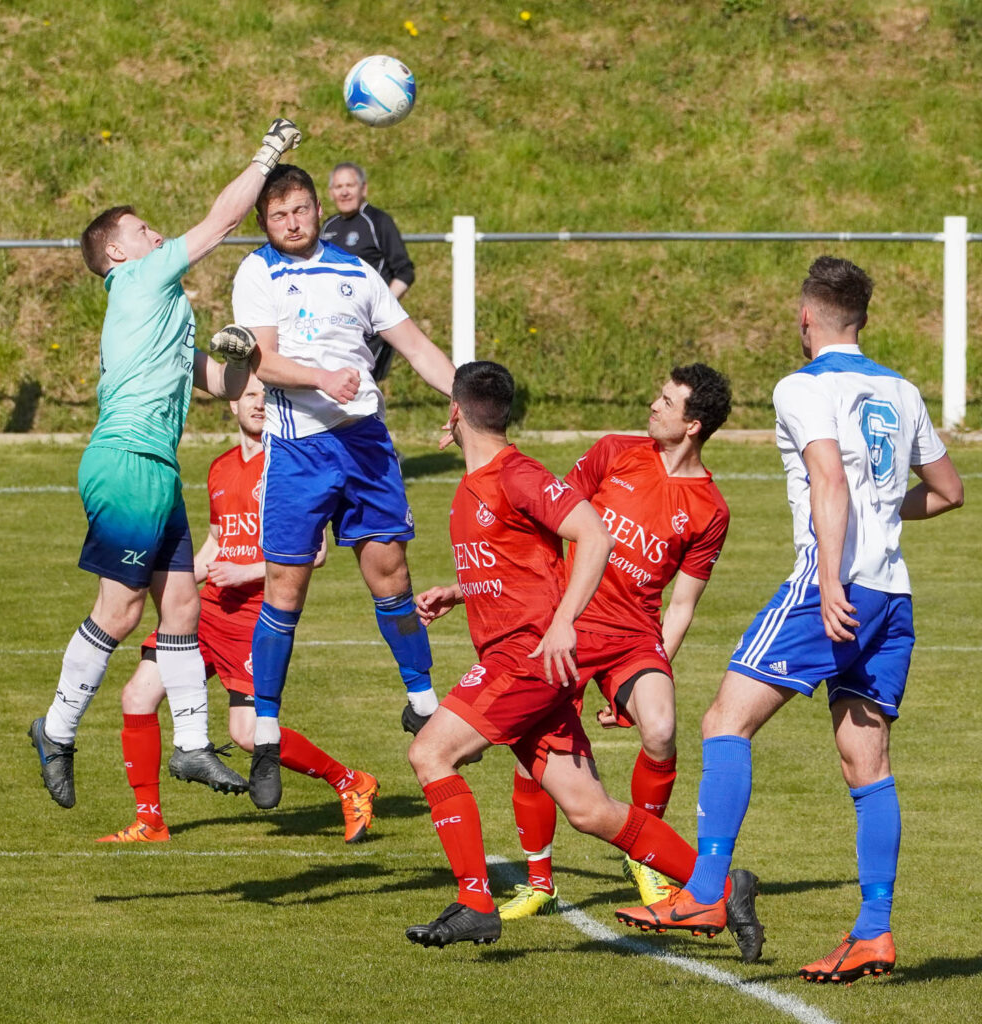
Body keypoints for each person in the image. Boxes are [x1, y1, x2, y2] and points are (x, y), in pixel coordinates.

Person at [618, 257, 964, 984]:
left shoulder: (801, 387)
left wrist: (831, 576)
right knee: (866, 766)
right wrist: (879, 513)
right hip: (892, 595)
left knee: (722, 721)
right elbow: (949, 490)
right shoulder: (901, 390)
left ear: (805, 317)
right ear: (860, 320)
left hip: (830, 587)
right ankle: (873, 932)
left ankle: (707, 893)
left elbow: (830, 478)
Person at [404, 360, 761, 954]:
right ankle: (723, 886)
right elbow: (528, 562)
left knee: (431, 751)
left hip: (527, 656)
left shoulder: (513, 475)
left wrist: (565, 624)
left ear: (455, 412)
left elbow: (593, 535)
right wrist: (460, 590)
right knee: (592, 810)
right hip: (533, 653)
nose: (655, 405)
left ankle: (474, 901)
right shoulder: (483, 480)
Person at [28, 118, 303, 810]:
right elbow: (223, 218)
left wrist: (250, 358)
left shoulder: (162, 313)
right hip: (126, 462)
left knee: (180, 605)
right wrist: (267, 156)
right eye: (144, 230)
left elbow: (223, 384)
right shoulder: (142, 279)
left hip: (154, 470)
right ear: (118, 252)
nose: (156, 236)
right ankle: (56, 729)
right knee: (119, 613)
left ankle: (190, 746)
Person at [224, 163, 455, 811]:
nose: (292, 223)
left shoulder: (359, 272)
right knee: (286, 588)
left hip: (366, 445)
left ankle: (422, 703)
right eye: (278, 215)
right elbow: (260, 358)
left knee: (392, 574)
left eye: (300, 210)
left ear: (317, 208)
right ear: (264, 223)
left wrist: (466, 394)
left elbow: (412, 343)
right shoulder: (258, 271)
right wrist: (323, 378)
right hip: (300, 451)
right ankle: (265, 732)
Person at [97, 374, 379, 844]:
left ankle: (351, 782)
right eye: (250, 394)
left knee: (248, 734)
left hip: (257, 619)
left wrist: (247, 572)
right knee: (137, 697)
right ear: (232, 405)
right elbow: (215, 544)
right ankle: (150, 821)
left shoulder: (291, 465)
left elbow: (315, 553)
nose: (259, 403)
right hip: (205, 613)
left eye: (268, 395)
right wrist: (163, 572)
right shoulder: (220, 468)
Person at [497, 364, 734, 923]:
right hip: (571, 623)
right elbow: (553, 523)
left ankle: (643, 858)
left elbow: (681, 605)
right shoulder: (613, 452)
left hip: (634, 637)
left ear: (693, 424)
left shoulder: (712, 510)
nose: (653, 405)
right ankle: (538, 882)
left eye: (667, 401)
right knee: (537, 749)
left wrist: (654, 667)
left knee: (661, 728)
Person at [319, 162, 415, 381]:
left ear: (363, 189)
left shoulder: (378, 222)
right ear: (331, 192)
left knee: (361, 385)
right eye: (338, 186)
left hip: (368, 327)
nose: (344, 192)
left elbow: (405, 272)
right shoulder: (328, 227)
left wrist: (379, 310)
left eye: (350, 185)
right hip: (333, 324)